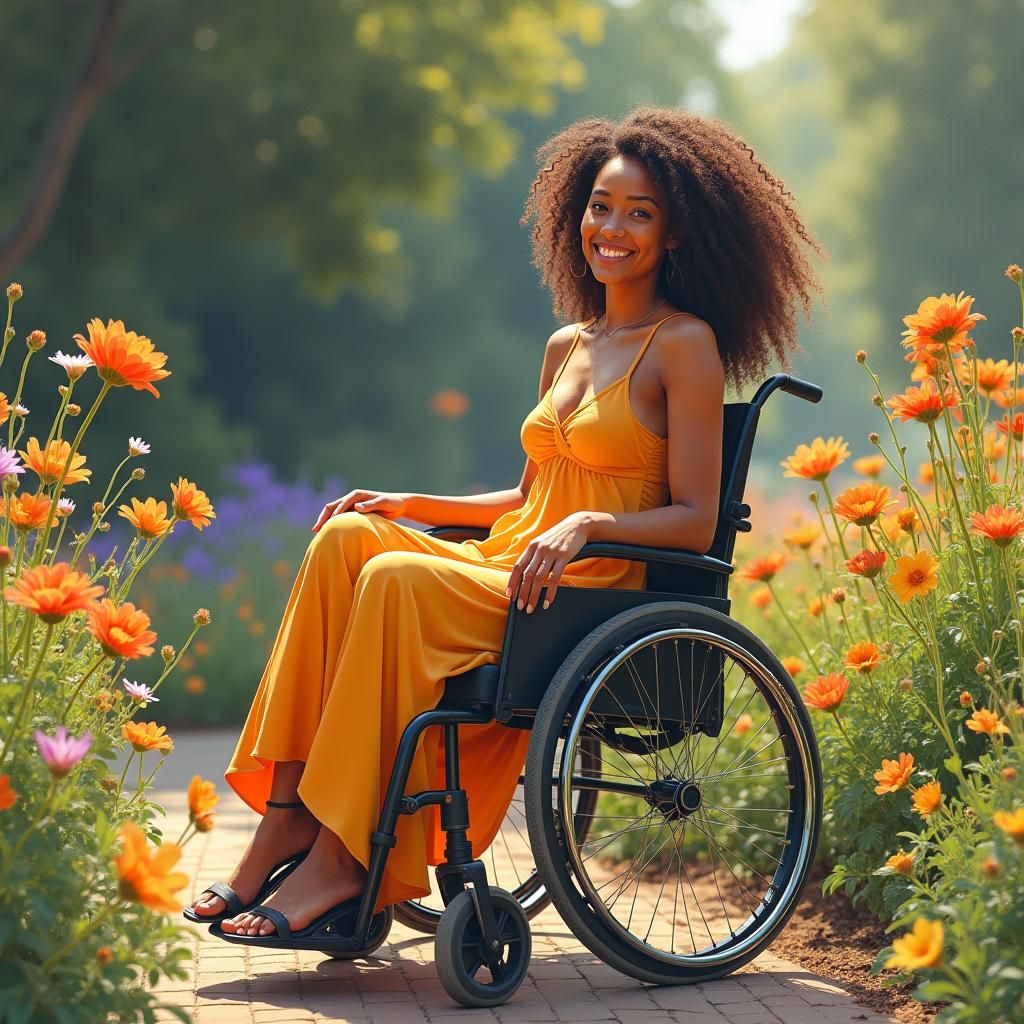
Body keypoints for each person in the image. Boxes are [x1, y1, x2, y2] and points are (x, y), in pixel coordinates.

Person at [186, 104, 825, 939]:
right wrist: (407, 503)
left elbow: (698, 521)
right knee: (349, 537)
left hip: (585, 589)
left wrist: (589, 525)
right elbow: (528, 500)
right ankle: (287, 815)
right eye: (601, 205)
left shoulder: (684, 345)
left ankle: (341, 861)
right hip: (514, 561)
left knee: (395, 576)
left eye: (641, 213)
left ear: (674, 235)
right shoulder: (569, 344)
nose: (614, 227)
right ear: (576, 214)